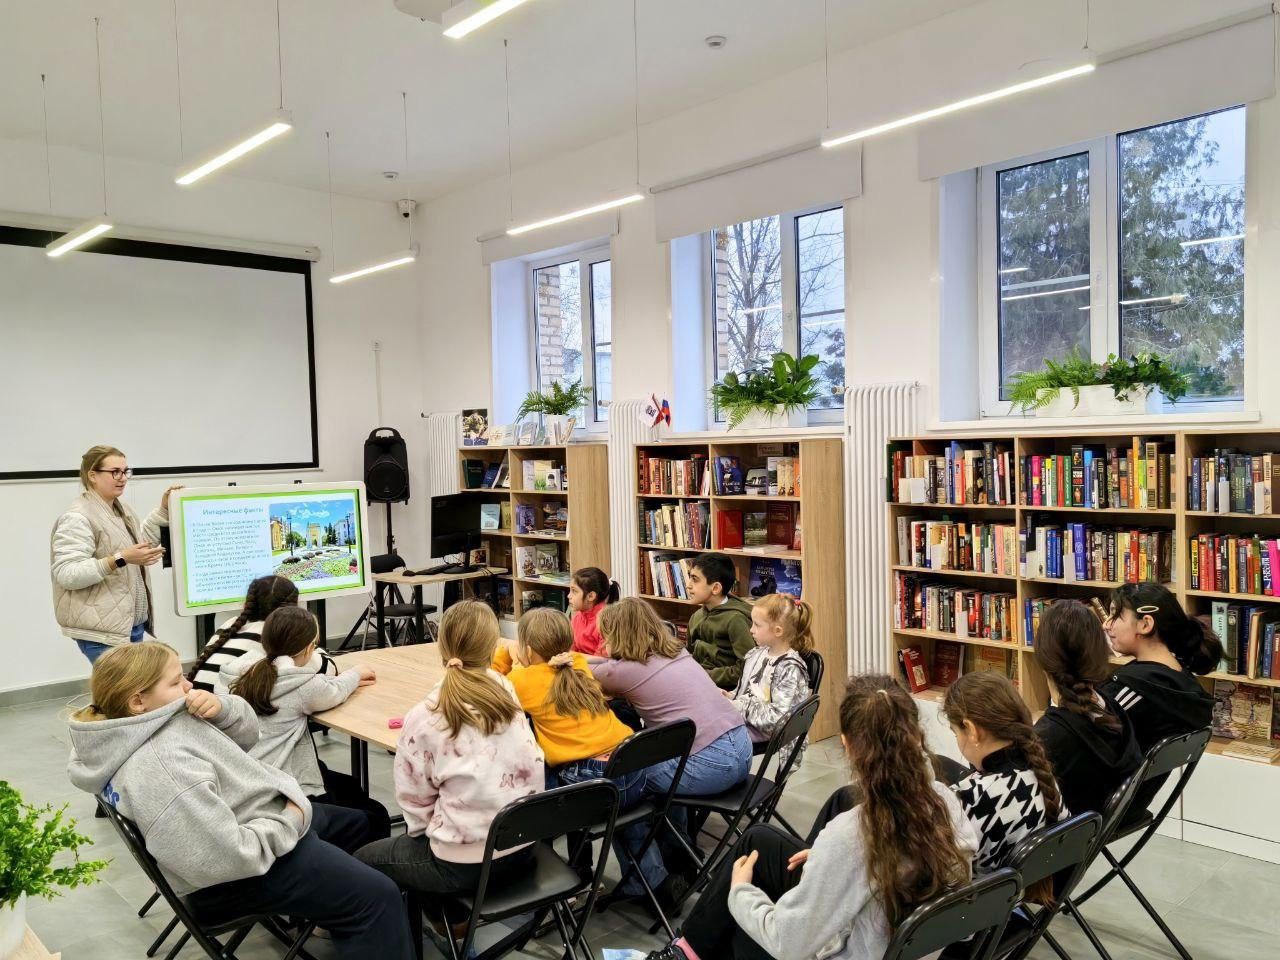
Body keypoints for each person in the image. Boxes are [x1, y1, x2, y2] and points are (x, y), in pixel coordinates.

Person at [66, 641, 413, 960]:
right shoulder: (162, 767)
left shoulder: (143, 723)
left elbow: (249, 736)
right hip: (240, 872)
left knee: (366, 822)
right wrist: (290, 819)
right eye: (175, 682)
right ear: (137, 701)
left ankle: (339, 919)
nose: (189, 686)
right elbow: (227, 858)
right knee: (377, 898)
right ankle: (362, 917)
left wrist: (221, 709)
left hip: (257, 822)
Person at [641, 675, 978, 960]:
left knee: (738, 925)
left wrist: (741, 891)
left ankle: (686, 952)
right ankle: (685, 951)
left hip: (850, 948)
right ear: (916, 736)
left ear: (847, 745)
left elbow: (786, 943)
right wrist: (824, 859)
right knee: (759, 839)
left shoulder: (852, 834)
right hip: (901, 943)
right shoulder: (944, 800)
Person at [356, 601, 543, 902]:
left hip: (462, 864)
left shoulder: (425, 714)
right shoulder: (506, 690)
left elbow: (414, 804)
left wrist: (435, 832)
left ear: (441, 647)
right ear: (493, 648)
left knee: (361, 861)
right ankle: (452, 917)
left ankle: (444, 918)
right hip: (524, 845)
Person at [591, 598, 753, 906]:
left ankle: (648, 883)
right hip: (741, 749)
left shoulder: (626, 671)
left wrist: (563, 658)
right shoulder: (678, 652)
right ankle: (680, 859)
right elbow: (598, 664)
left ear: (618, 635)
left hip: (709, 765)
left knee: (618, 784)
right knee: (661, 766)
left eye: (606, 635)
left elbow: (585, 670)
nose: (603, 642)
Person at [220, 606, 391, 837]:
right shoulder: (299, 684)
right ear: (310, 649)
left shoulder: (243, 673)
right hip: (281, 789)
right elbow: (334, 691)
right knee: (375, 815)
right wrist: (356, 673)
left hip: (245, 781)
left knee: (349, 786)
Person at [51, 445, 181, 664]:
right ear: (92, 475)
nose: (123, 478)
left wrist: (163, 510)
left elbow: (137, 546)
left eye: (125, 471)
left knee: (132, 685)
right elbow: (67, 573)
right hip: (103, 633)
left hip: (128, 626)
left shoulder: (121, 509)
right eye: (115, 472)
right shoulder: (77, 518)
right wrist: (121, 558)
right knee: (126, 686)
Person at [942, 672, 1064, 886]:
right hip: (1011, 895)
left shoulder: (967, 801)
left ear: (971, 730)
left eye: (955, 733)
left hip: (976, 902)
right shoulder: (1043, 775)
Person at [1034, 600, 1143, 817]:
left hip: (1064, 830)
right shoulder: (1113, 709)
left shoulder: (1047, 738)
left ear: (1042, 658)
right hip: (1102, 823)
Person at [1102, 582, 1221, 753]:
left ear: (1145, 625)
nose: (1106, 625)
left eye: (1116, 615)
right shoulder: (1182, 679)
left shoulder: (1130, 690)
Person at [188, 575, 314, 693]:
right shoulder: (276, 632)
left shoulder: (231, 624)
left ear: (247, 604)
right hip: (219, 703)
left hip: (196, 697)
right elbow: (315, 665)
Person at [728, 594, 813, 749]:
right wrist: (730, 697)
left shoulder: (790, 668)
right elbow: (747, 692)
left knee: (712, 734)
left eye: (757, 625)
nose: (751, 630)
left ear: (777, 631)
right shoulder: (755, 654)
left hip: (766, 731)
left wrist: (738, 706)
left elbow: (778, 719)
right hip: (745, 720)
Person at [686, 553, 755, 690]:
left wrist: (706, 676)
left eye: (695, 579)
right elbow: (689, 654)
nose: (688, 585)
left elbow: (748, 668)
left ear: (716, 588)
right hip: (697, 683)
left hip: (725, 691)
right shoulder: (696, 616)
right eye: (689, 578)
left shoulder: (736, 619)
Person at [569, 566, 620, 655]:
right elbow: (571, 649)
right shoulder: (576, 618)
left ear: (591, 596)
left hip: (598, 663)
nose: (569, 596)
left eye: (574, 591)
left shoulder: (606, 620)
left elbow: (602, 659)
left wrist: (573, 657)